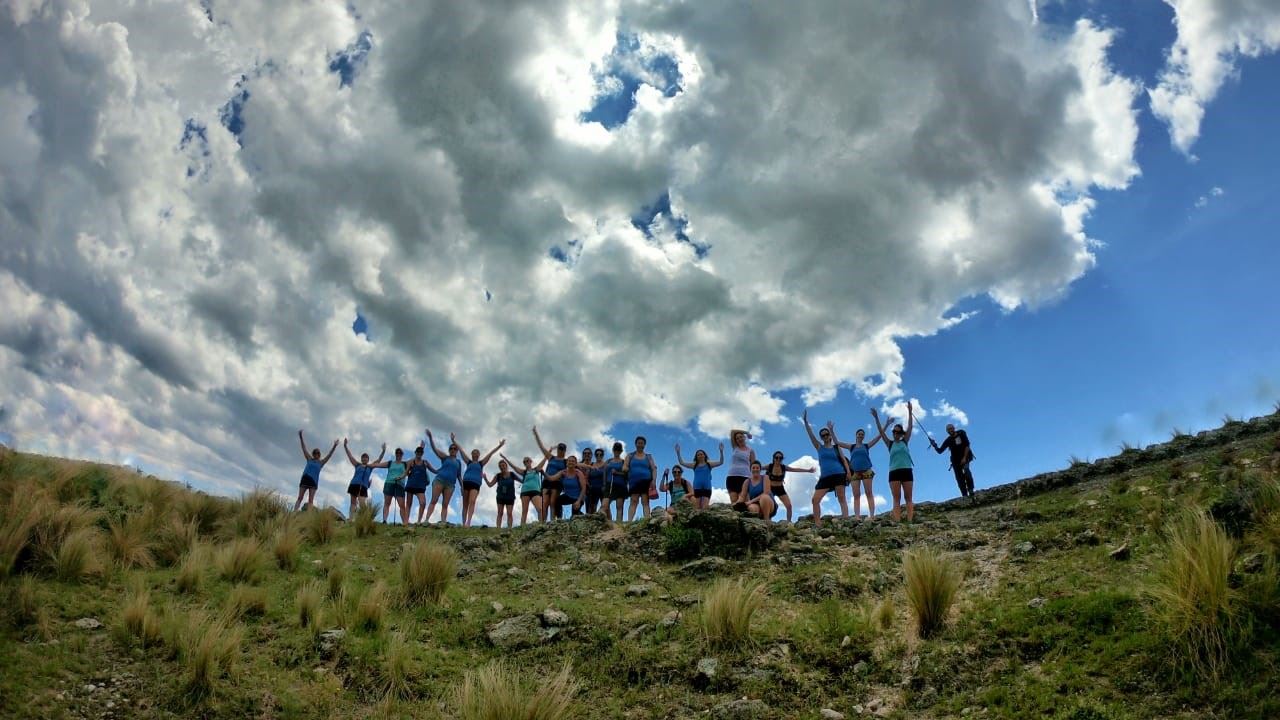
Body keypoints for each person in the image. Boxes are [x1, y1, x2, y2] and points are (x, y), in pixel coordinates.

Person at [802, 411, 852, 527]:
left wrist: (848, 472)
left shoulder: (836, 447)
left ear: (830, 436)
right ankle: (818, 524)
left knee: (841, 497)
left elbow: (844, 460)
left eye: (826, 434)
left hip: (839, 474)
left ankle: (846, 520)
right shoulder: (819, 447)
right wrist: (805, 422)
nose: (825, 436)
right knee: (815, 499)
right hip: (825, 477)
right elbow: (811, 436)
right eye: (823, 435)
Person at [872, 402, 916, 522]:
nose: (895, 434)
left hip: (906, 470)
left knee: (908, 497)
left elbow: (910, 427)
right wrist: (876, 418)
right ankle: (897, 521)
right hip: (894, 472)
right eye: (894, 432)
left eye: (898, 432)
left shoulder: (905, 441)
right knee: (896, 498)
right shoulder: (890, 443)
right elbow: (881, 432)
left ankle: (910, 521)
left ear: (901, 433)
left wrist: (910, 412)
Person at [458, 438, 506, 527]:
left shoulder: (481, 463)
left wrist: (500, 445)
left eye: (477, 453)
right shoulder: (468, 462)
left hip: (475, 484)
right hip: (466, 483)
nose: (475, 454)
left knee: (472, 501)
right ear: (471, 454)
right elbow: (461, 450)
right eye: (473, 452)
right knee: (465, 504)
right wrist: (453, 440)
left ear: (479, 455)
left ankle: (468, 522)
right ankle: (463, 523)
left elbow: (490, 453)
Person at [836, 428, 881, 518]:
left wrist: (886, 425)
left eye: (862, 434)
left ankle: (872, 515)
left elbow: (878, 437)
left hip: (866, 471)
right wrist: (831, 430)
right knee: (856, 495)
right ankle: (857, 516)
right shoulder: (851, 447)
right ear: (856, 435)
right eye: (859, 434)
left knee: (869, 493)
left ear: (863, 436)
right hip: (855, 472)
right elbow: (837, 442)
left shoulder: (866, 446)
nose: (860, 435)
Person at [763, 451, 815, 522]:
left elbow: (795, 469)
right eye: (776, 457)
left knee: (789, 506)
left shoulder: (783, 467)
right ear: (773, 458)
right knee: (769, 504)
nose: (778, 459)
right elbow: (759, 468)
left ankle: (788, 522)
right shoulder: (770, 466)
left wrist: (808, 470)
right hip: (770, 488)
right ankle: (767, 520)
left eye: (780, 458)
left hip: (780, 488)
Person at [424, 429, 462, 524]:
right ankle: (426, 520)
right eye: (451, 448)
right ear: (449, 450)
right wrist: (431, 438)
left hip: (450, 485)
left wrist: (462, 487)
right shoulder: (445, 457)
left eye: (455, 449)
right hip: (440, 481)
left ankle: (443, 521)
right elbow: (435, 449)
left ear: (457, 451)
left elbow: (459, 476)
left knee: (445, 504)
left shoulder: (458, 462)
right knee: (434, 500)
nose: (453, 450)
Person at [532, 427, 570, 522]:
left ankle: (552, 521)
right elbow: (541, 447)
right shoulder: (551, 457)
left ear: (565, 451)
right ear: (557, 450)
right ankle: (542, 523)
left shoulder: (566, 461)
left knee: (553, 502)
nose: (561, 451)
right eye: (560, 449)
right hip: (546, 481)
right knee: (544, 503)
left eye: (563, 449)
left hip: (557, 483)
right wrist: (536, 434)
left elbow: (576, 464)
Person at [295, 430, 338, 512]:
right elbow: (304, 448)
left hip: (313, 482)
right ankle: (295, 512)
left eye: (318, 453)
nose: (316, 454)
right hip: (305, 479)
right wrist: (301, 437)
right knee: (300, 497)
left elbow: (329, 455)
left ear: (319, 455)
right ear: (313, 454)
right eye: (315, 453)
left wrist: (334, 446)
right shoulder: (309, 459)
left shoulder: (321, 462)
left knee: (310, 500)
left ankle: (309, 515)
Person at [929, 424, 975, 499]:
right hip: (955, 461)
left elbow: (967, 445)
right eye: (948, 430)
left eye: (951, 428)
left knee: (967, 471)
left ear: (954, 428)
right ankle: (964, 495)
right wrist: (934, 445)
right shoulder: (948, 440)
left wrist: (964, 458)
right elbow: (940, 451)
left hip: (965, 457)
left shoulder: (961, 433)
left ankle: (971, 490)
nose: (950, 430)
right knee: (959, 478)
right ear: (947, 431)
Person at [342, 439, 386, 519]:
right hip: (354, 484)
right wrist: (345, 446)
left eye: (366, 458)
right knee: (353, 503)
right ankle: (351, 519)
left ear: (368, 460)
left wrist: (383, 451)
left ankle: (365, 519)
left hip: (363, 487)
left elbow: (379, 460)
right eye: (363, 457)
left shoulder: (370, 467)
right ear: (361, 459)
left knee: (362, 504)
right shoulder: (357, 465)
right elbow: (350, 456)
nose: (364, 459)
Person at [675, 443, 724, 509]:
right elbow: (682, 463)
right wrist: (678, 452)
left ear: (704, 455)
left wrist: (721, 451)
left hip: (707, 488)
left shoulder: (709, 464)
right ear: (696, 457)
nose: (700, 455)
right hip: (697, 488)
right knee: (697, 507)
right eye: (698, 455)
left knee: (704, 507)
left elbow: (721, 462)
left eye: (701, 454)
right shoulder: (694, 465)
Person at [503, 453, 547, 526]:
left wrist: (549, 451)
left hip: (535, 491)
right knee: (525, 511)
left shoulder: (536, 469)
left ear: (530, 461)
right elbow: (514, 467)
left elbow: (544, 460)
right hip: (525, 491)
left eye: (527, 461)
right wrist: (505, 458)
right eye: (524, 462)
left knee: (540, 509)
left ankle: (541, 525)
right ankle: (522, 527)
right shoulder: (524, 472)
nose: (526, 462)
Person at [622, 435, 657, 521]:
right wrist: (625, 468)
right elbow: (625, 466)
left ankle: (647, 521)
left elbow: (654, 469)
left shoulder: (648, 456)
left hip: (646, 481)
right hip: (634, 481)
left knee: (645, 501)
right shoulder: (630, 455)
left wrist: (654, 480)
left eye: (642, 443)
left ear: (644, 445)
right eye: (639, 443)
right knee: (633, 501)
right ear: (635, 444)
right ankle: (629, 521)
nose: (640, 445)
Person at [402, 443, 438, 524]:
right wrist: (401, 477)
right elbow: (406, 472)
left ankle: (418, 521)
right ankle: (406, 522)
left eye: (421, 452)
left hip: (420, 487)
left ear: (422, 453)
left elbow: (433, 470)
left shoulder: (425, 462)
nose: (419, 453)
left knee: (423, 503)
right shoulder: (411, 462)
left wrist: (440, 470)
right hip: (411, 485)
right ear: (415, 453)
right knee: (408, 504)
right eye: (418, 452)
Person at [376, 447, 408, 524]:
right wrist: (369, 465)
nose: (398, 454)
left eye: (400, 453)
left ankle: (405, 522)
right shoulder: (390, 463)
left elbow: (415, 459)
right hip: (389, 483)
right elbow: (378, 465)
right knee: (387, 503)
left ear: (402, 455)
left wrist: (421, 447)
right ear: (395, 454)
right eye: (397, 453)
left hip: (400, 485)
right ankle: (384, 520)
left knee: (402, 505)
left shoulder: (405, 464)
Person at [487, 459, 519, 529]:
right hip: (500, 497)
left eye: (503, 465)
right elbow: (490, 485)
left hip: (510, 497)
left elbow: (521, 480)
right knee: (500, 513)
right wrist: (485, 478)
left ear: (506, 466)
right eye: (500, 466)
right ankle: (498, 528)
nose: (502, 467)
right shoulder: (498, 476)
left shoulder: (512, 474)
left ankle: (509, 528)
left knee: (509, 513)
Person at [725, 429, 756, 499]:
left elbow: (753, 465)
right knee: (734, 500)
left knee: (745, 500)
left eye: (741, 437)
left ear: (744, 438)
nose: (739, 439)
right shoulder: (735, 447)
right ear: (736, 441)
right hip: (732, 477)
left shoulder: (750, 450)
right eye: (737, 438)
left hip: (745, 477)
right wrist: (747, 432)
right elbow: (732, 431)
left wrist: (754, 479)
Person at [603, 442, 628, 522]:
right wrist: (604, 484)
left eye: (618, 450)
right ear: (613, 450)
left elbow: (626, 475)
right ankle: (606, 522)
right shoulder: (608, 461)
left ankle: (618, 525)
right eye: (615, 449)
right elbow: (605, 473)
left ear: (621, 451)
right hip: (609, 484)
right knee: (604, 505)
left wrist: (617, 473)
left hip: (620, 486)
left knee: (619, 507)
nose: (617, 451)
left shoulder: (623, 462)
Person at [585, 448, 607, 514]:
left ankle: (609, 521)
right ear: (595, 455)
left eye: (601, 454)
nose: (599, 456)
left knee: (605, 507)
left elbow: (606, 476)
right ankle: (592, 521)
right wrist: (588, 485)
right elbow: (587, 476)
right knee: (592, 507)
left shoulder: (605, 465)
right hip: (593, 488)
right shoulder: (591, 465)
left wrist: (605, 485)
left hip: (602, 488)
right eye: (597, 454)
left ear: (603, 455)